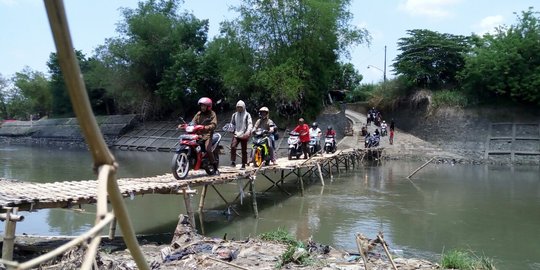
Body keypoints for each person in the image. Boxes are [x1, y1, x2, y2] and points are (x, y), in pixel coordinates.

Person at [183, 97, 217, 167]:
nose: (202, 107)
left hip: (208, 135)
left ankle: (215, 166)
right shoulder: (198, 114)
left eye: (204, 106)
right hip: (198, 134)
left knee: (208, 149)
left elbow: (214, 125)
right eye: (201, 106)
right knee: (192, 145)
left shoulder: (212, 114)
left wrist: (205, 127)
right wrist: (186, 125)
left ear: (208, 106)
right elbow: (193, 122)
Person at [229, 100, 253, 169]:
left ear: (243, 107)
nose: (239, 109)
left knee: (244, 150)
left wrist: (248, 131)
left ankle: (243, 164)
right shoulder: (234, 115)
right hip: (236, 133)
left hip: (244, 134)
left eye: (240, 107)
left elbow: (250, 124)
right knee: (233, 146)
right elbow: (232, 124)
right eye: (238, 107)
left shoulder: (247, 115)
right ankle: (233, 162)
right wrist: (230, 129)